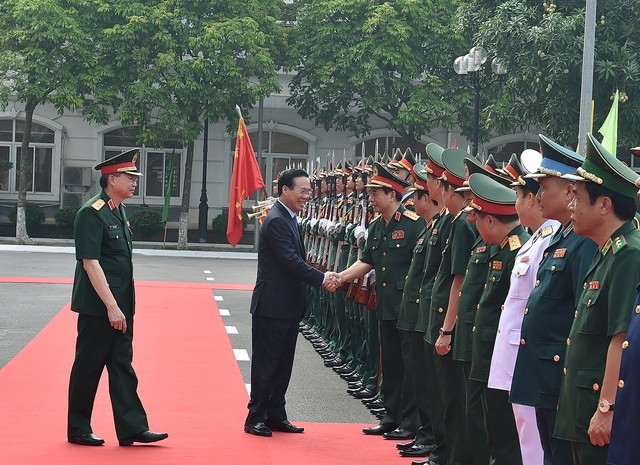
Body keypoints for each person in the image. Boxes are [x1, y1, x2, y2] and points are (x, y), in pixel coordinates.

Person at [67, 149, 168, 447]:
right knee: (89, 366)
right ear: (112, 179)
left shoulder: (118, 209)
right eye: (130, 177)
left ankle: (132, 428)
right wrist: (111, 306)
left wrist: (121, 306)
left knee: (122, 364)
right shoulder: (92, 212)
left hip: (122, 306)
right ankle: (78, 428)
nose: (135, 182)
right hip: (100, 307)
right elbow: (90, 263)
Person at [510, 134, 597, 465]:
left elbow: (580, 313)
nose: (539, 195)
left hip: (558, 371)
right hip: (541, 369)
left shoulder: (582, 240)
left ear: (570, 191)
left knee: (560, 456)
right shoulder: (559, 234)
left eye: (545, 187)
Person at [554, 134, 640, 465]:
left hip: (598, 408)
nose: (571, 206)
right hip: (581, 402)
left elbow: (620, 337)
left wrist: (606, 406)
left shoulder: (628, 254)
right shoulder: (605, 250)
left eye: (578, 198)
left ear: (604, 205)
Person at [245, 168, 340, 437]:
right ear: (285, 190)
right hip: (272, 306)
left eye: (309, 191)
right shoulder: (277, 220)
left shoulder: (289, 218)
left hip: (286, 306)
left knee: (283, 365)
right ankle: (256, 416)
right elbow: (290, 262)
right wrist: (323, 278)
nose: (307, 196)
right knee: (267, 364)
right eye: (303, 190)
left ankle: (276, 414)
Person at [338, 162, 425, 440]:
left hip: (409, 308)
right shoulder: (376, 227)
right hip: (386, 306)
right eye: (372, 192)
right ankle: (390, 417)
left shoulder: (414, 224)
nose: (371, 198)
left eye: (377, 193)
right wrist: (339, 277)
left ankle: (410, 422)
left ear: (393, 195)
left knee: (410, 366)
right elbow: (366, 262)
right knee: (391, 362)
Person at [488, 151, 558, 465]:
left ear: (531, 200)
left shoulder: (547, 240)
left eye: (518, 195)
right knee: (522, 433)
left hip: (527, 354)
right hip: (516, 353)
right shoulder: (535, 239)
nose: (515, 203)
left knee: (532, 440)